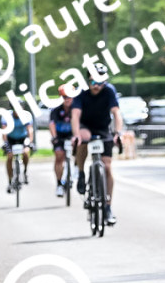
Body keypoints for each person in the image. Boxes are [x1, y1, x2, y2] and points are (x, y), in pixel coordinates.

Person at [72, 78, 126, 225]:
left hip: (103, 128)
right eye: (93, 82)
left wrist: (118, 132)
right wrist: (76, 134)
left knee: (107, 167)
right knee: (83, 138)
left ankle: (108, 207)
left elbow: (116, 113)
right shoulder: (81, 92)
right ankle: (81, 173)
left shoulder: (109, 90)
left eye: (100, 82)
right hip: (85, 126)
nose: (96, 86)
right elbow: (75, 115)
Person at [48, 87, 75, 196]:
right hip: (59, 135)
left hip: (73, 134)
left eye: (69, 97)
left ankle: (76, 171)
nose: (67, 99)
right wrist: (54, 136)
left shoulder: (76, 108)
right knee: (59, 156)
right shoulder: (56, 109)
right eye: (64, 97)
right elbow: (52, 124)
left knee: (80, 151)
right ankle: (59, 183)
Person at [1, 105, 32, 191]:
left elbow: (30, 130)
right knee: (10, 157)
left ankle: (25, 171)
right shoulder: (7, 116)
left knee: (25, 153)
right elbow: (4, 131)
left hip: (22, 139)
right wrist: (6, 143)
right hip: (11, 139)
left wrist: (29, 142)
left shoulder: (26, 116)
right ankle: (10, 180)